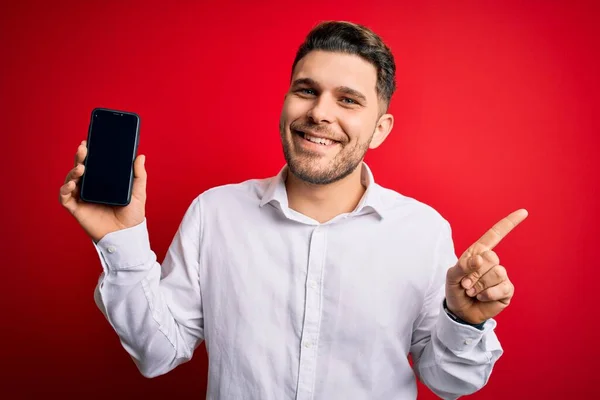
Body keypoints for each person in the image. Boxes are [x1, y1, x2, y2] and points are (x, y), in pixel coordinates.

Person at [59, 21, 527, 400]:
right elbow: (156, 352)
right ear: (286, 103)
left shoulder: (422, 231)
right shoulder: (214, 213)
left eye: (348, 100)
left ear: (380, 129)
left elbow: (447, 382)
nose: (320, 113)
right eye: (306, 90)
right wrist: (119, 240)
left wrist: (464, 320)